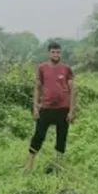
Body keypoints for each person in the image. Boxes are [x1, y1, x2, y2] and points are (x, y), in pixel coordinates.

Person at [27, 42, 76, 172]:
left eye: (58, 52)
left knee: (62, 137)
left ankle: (58, 165)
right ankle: (29, 165)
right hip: (46, 108)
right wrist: (35, 107)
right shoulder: (42, 68)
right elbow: (37, 88)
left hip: (63, 108)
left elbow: (72, 91)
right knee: (38, 136)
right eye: (53, 52)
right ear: (49, 53)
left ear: (60, 53)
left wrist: (71, 111)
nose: (56, 54)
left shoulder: (66, 69)